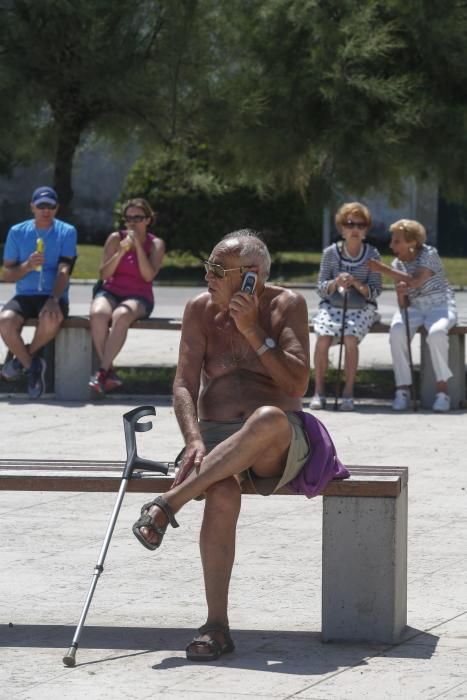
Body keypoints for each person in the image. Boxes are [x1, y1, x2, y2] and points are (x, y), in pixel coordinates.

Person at [131, 229, 349, 661]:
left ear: (251, 276)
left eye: (217, 269)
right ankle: (216, 626)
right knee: (223, 492)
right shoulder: (199, 309)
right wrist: (192, 437)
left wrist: (252, 329)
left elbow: (297, 384)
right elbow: (183, 384)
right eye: (208, 267)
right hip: (212, 436)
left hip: (275, 440)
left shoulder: (286, 305)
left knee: (266, 418)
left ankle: (169, 502)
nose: (207, 275)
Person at [368, 219, 457, 412]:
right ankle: (403, 390)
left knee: (436, 334)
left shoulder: (429, 254)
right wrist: (401, 295)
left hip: (440, 306)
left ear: (412, 242)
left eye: (397, 241)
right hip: (414, 308)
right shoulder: (397, 263)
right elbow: (404, 305)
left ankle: (443, 392)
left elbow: (416, 282)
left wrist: (383, 270)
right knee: (397, 331)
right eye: (392, 241)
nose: (391, 245)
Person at [0, 186, 77, 399]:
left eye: (50, 206)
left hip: (53, 293)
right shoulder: (17, 232)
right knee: (5, 322)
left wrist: (54, 298)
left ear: (57, 208)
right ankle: (33, 366)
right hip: (25, 294)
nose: (46, 210)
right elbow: (7, 274)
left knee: (51, 318)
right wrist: (26, 266)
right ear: (32, 207)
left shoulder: (66, 232)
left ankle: (21, 361)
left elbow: (64, 270)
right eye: (41, 206)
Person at [310, 202, 382, 411]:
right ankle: (319, 391)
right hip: (333, 305)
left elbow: (376, 290)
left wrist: (357, 284)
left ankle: (348, 392)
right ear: (342, 228)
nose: (355, 229)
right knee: (322, 338)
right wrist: (335, 283)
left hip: (361, 308)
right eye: (350, 224)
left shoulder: (372, 254)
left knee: (350, 338)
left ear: (366, 230)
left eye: (361, 225)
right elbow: (321, 288)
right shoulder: (330, 253)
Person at [88, 198, 165, 394]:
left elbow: (148, 275)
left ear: (148, 220)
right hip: (111, 290)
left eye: (138, 218)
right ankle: (108, 372)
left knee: (121, 315)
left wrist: (138, 247)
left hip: (139, 296)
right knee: (98, 313)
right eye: (128, 218)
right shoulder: (115, 238)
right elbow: (104, 274)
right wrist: (121, 252)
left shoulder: (155, 244)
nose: (132, 222)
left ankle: (102, 372)